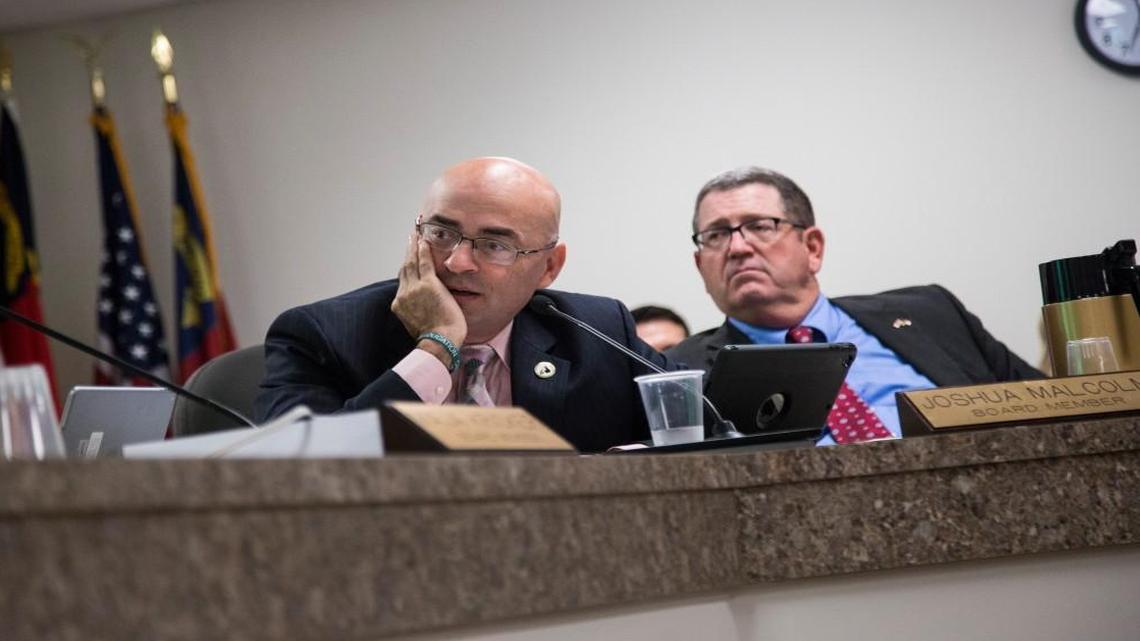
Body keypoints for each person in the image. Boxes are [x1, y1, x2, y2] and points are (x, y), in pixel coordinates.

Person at [255, 157, 672, 452]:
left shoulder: (597, 331)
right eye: (440, 233)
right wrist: (436, 348)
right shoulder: (324, 334)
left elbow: (708, 424)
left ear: (549, 267)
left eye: (494, 245)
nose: (457, 262)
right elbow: (287, 468)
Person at [667, 166, 1043, 445]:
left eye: (760, 226)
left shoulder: (932, 312)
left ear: (812, 248)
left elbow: (1049, 409)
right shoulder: (681, 375)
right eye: (716, 235)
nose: (738, 248)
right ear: (701, 267)